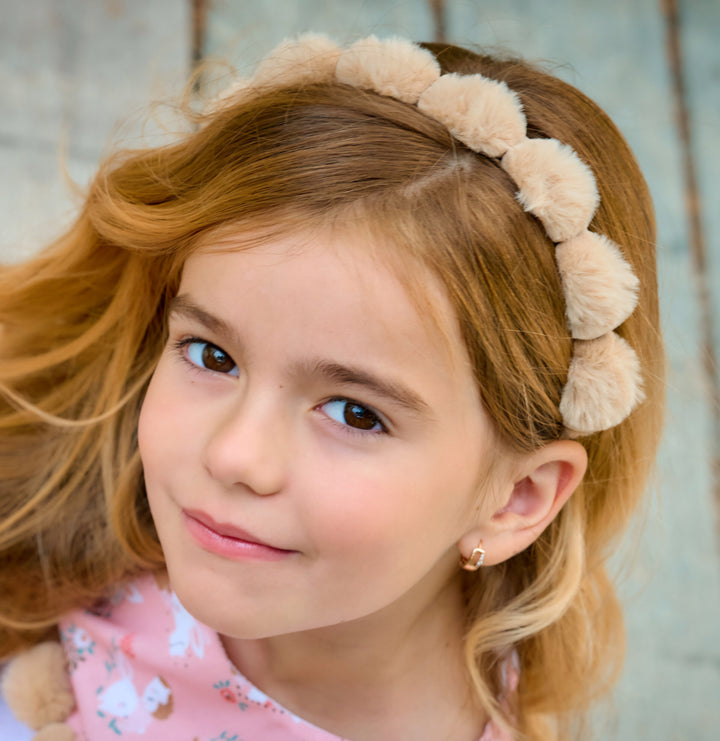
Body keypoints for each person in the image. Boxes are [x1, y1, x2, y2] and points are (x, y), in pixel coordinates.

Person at [0, 34, 664, 741]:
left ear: (515, 498)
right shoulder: (64, 535)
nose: (234, 455)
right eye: (212, 355)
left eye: (355, 414)